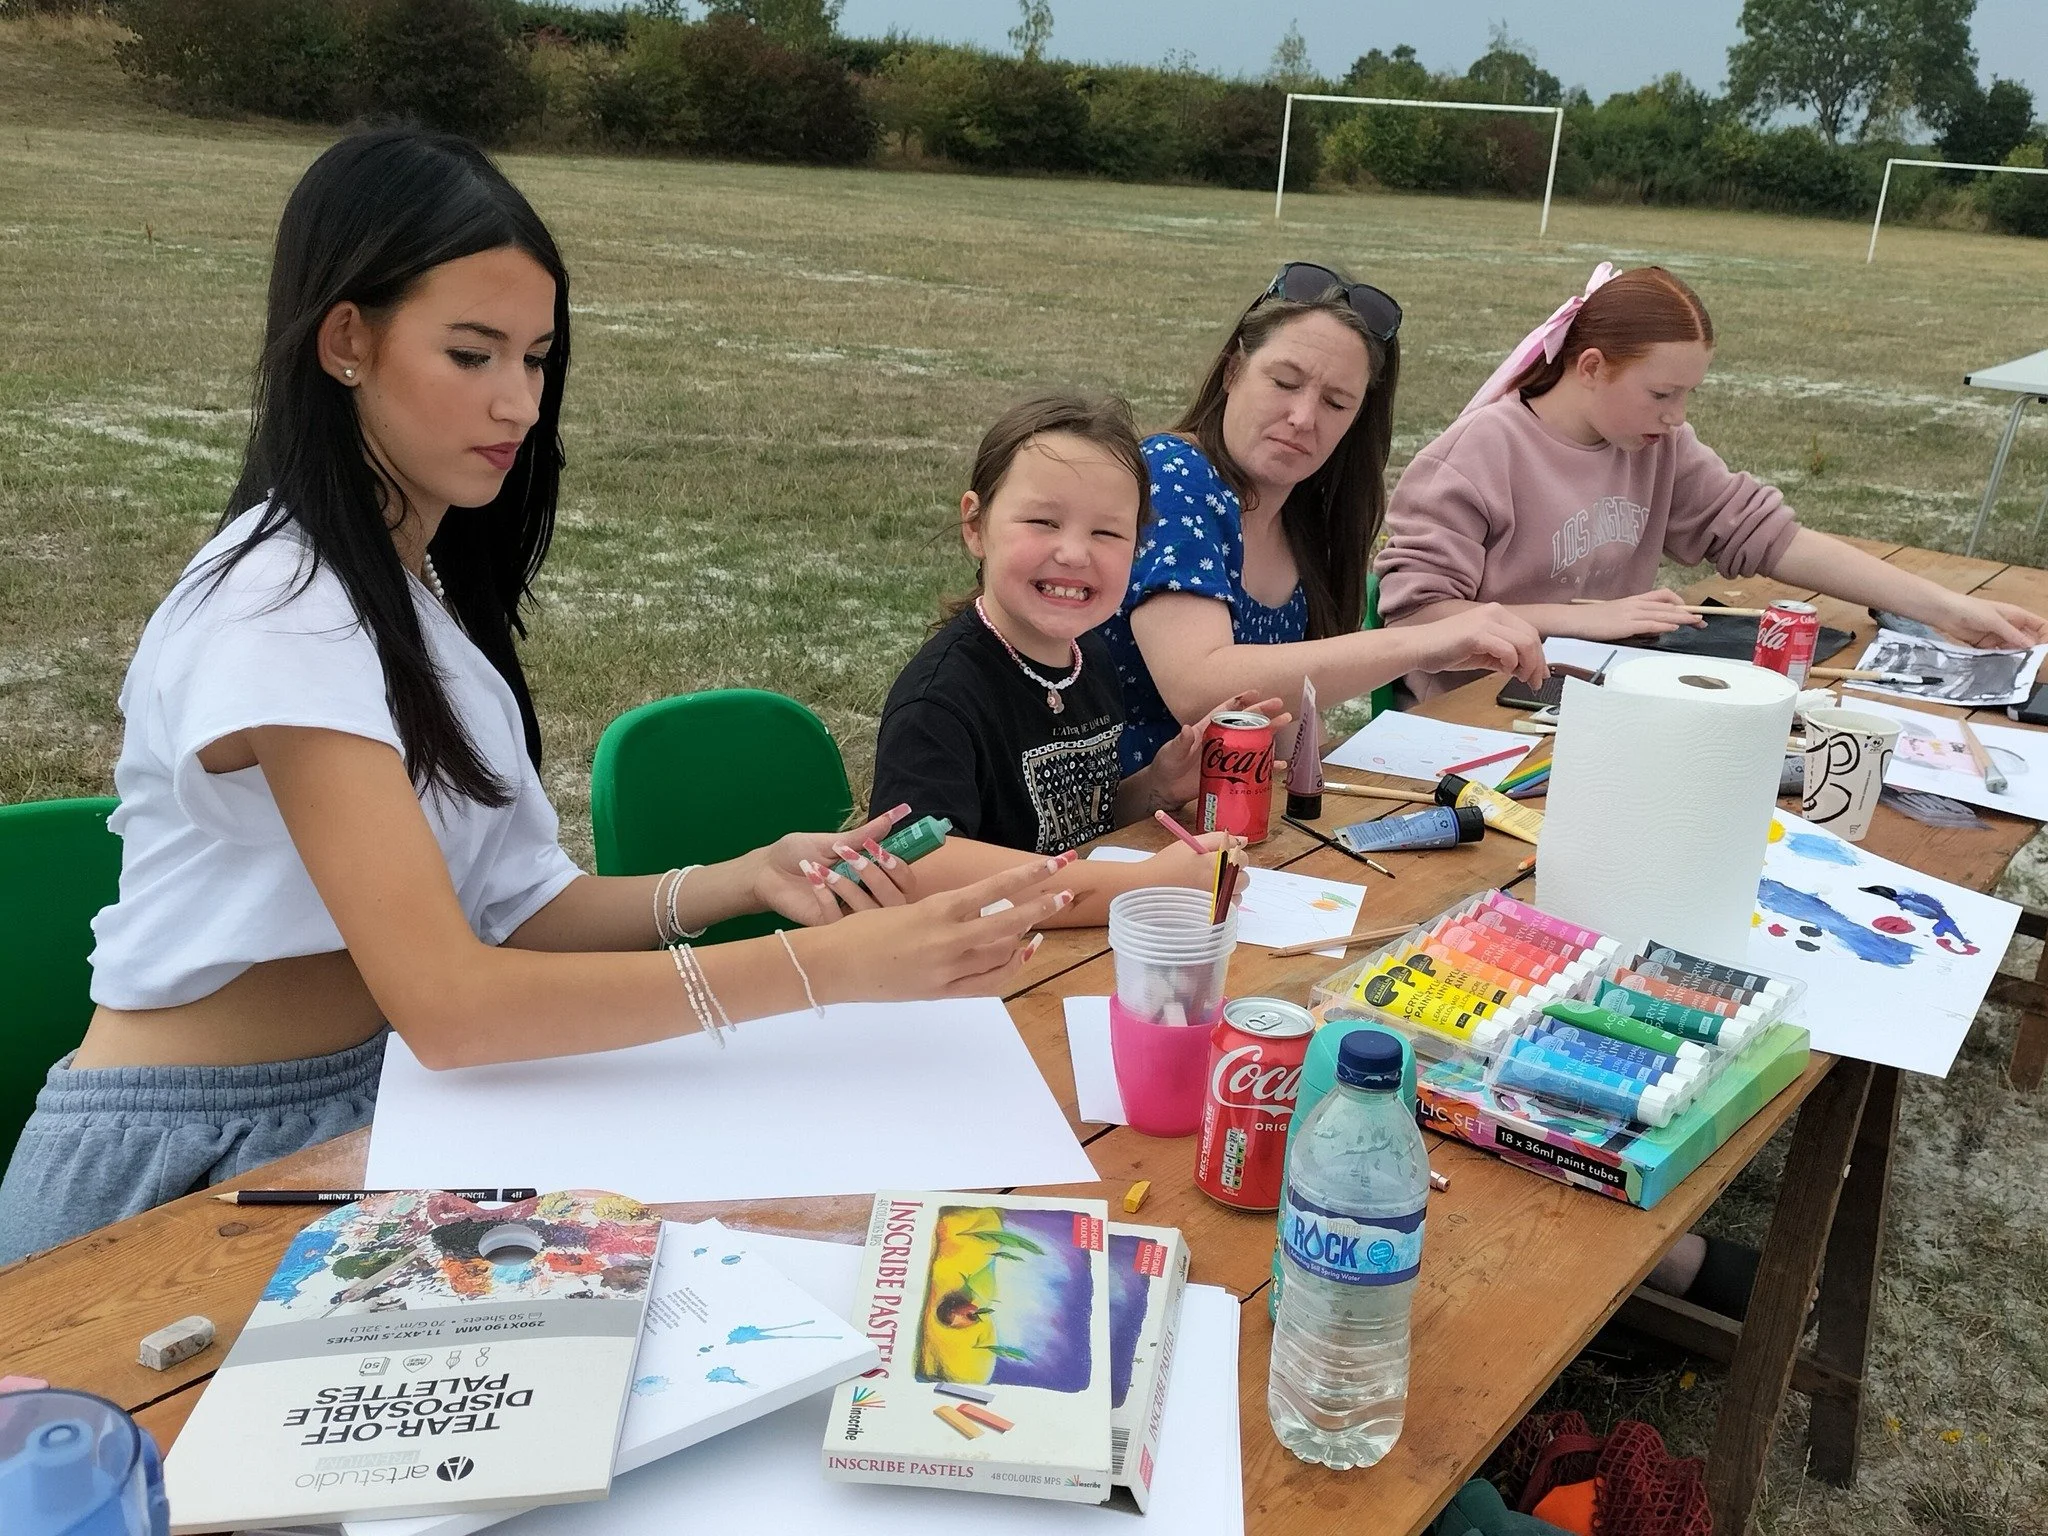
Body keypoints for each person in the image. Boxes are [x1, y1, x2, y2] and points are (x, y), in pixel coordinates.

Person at [0, 130, 1068, 1265]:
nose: (516, 403)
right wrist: (825, 972)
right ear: (346, 340)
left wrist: (740, 880)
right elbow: (454, 1005)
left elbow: (512, 908)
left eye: (537, 358)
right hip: (202, 1163)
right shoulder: (283, 609)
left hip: (392, 1106)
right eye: (472, 355)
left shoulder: (418, 591)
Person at [1376, 263, 2048, 698]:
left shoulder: (1654, 443)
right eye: (1662, 394)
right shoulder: (1476, 454)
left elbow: (1773, 539)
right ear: (1589, 368)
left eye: (1688, 396)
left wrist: (1953, 610)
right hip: (1471, 729)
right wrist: (1582, 620)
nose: (1676, 418)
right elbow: (1416, 616)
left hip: (1603, 705)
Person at [1098, 262, 1549, 776]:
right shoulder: (1174, 474)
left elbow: (1287, 724)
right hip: (1124, 826)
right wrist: (1422, 643)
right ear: (1231, 370)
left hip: (1238, 813)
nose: (1303, 418)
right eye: (1285, 382)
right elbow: (1196, 684)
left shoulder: (1308, 519)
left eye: (1336, 402)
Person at [869, 393, 1284, 914]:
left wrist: (1154, 787)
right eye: (1043, 522)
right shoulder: (940, 699)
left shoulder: (1089, 656)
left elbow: (1072, 818)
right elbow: (914, 866)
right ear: (975, 526)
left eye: (1107, 532)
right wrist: (1145, 884)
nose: (1073, 553)